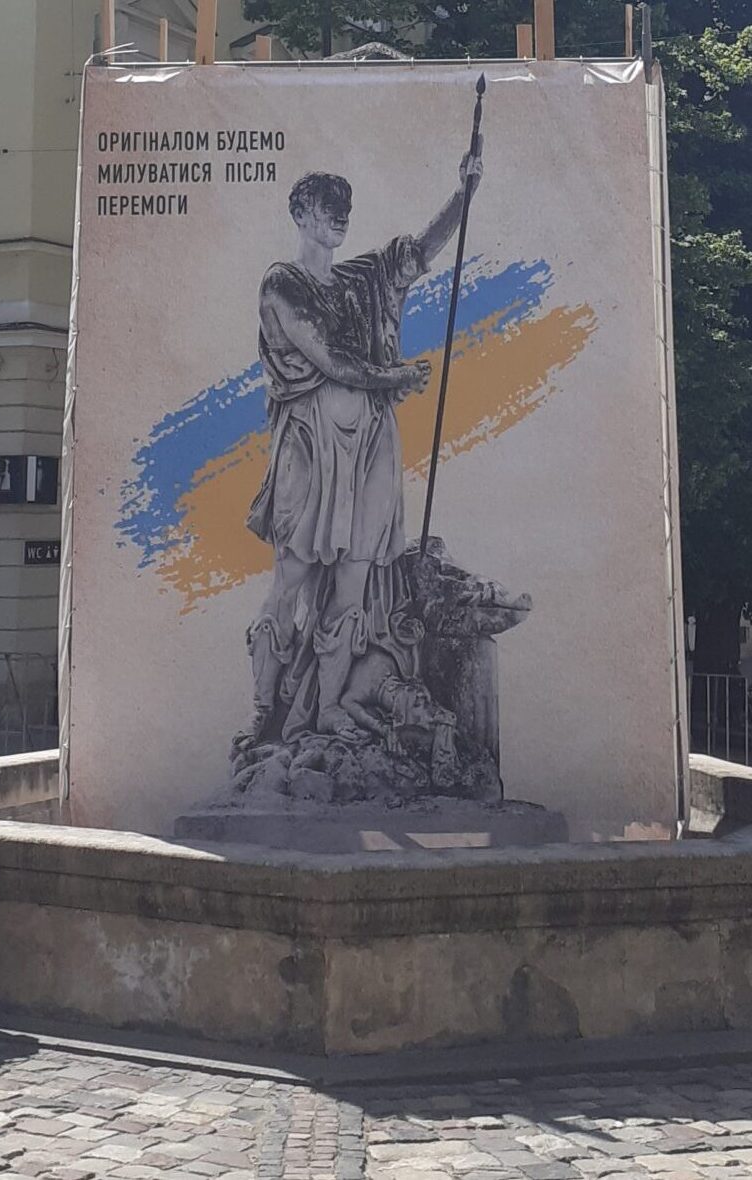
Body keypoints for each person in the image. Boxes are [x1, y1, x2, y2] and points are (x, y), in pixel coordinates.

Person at [241, 144, 484, 748]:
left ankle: (327, 711)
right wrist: (394, 377)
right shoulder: (283, 284)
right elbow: (328, 357)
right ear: (301, 213)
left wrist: (463, 195)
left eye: (346, 208)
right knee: (291, 576)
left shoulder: (360, 279)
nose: (340, 216)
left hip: (371, 440)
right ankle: (262, 710)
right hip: (312, 442)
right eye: (329, 207)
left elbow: (418, 254)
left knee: (352, 578)